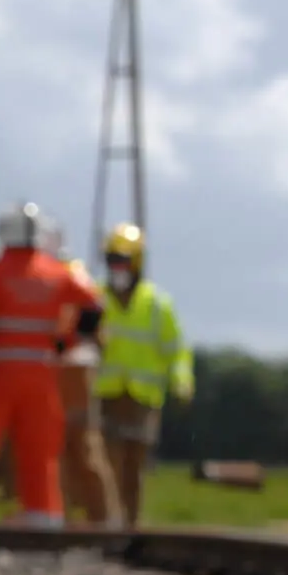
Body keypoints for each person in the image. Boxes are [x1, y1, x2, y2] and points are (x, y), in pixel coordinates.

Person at [0, 202, 103, 528]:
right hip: (42, 373)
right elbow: (93, 306)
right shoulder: (57, 272)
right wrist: (66, 342)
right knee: (40, 447)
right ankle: (43, 514)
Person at [94, 223, 194, 526]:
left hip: (142, 399)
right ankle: (108, 523)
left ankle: (130, 526)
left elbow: (176, 350)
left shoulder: (157, 305)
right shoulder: (94, 298)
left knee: (133, 470)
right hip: (103, 395)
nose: (116, 267)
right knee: (106, 464)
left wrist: (182, 382)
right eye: (112, 260)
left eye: (122, 260)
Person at [37, 217, 120, 526]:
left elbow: (89, 315)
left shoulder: (67, 273)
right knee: (60, 447)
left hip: (72, 368)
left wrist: (61, 346)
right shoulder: (57, 273)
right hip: (62, 366)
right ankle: (66, 517)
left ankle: (102, 518)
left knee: (81, 445)